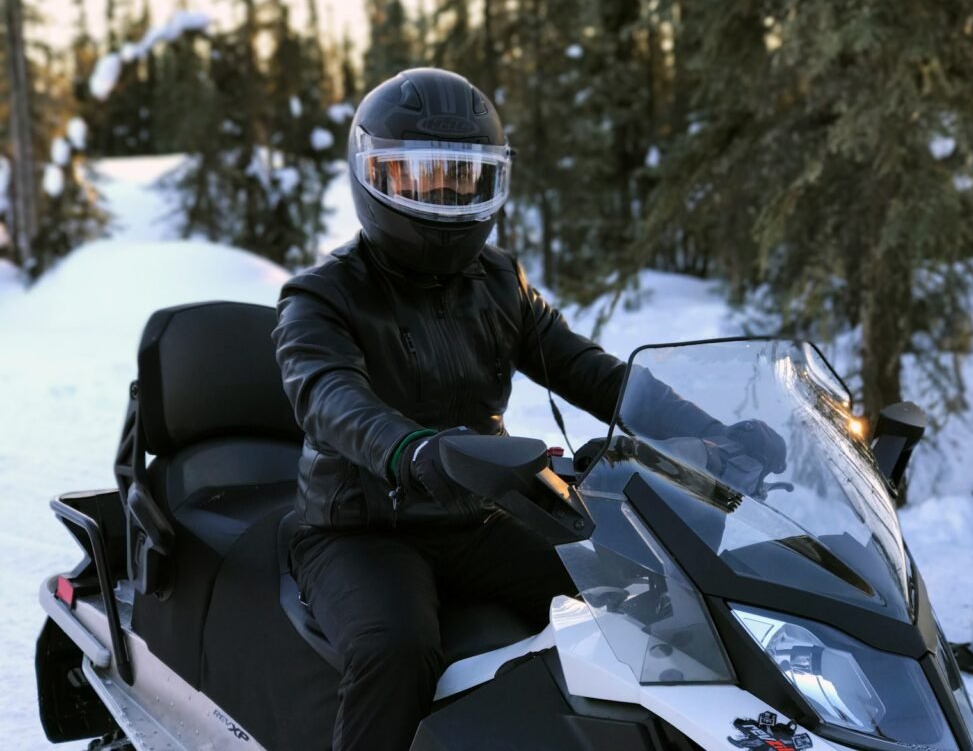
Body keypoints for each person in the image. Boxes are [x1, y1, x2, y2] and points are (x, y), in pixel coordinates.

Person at [272, 68, 785, 751]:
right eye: (419, 177)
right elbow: (328, 395)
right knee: (394, 651)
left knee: (639, 592)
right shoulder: (322, 295)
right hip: (361, 528)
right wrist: (410, 450)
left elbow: (592, 372)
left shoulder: (498, 281)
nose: (444, 196)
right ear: (372, 177)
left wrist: (716, 434)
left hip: (478, 512)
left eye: (465, 178)